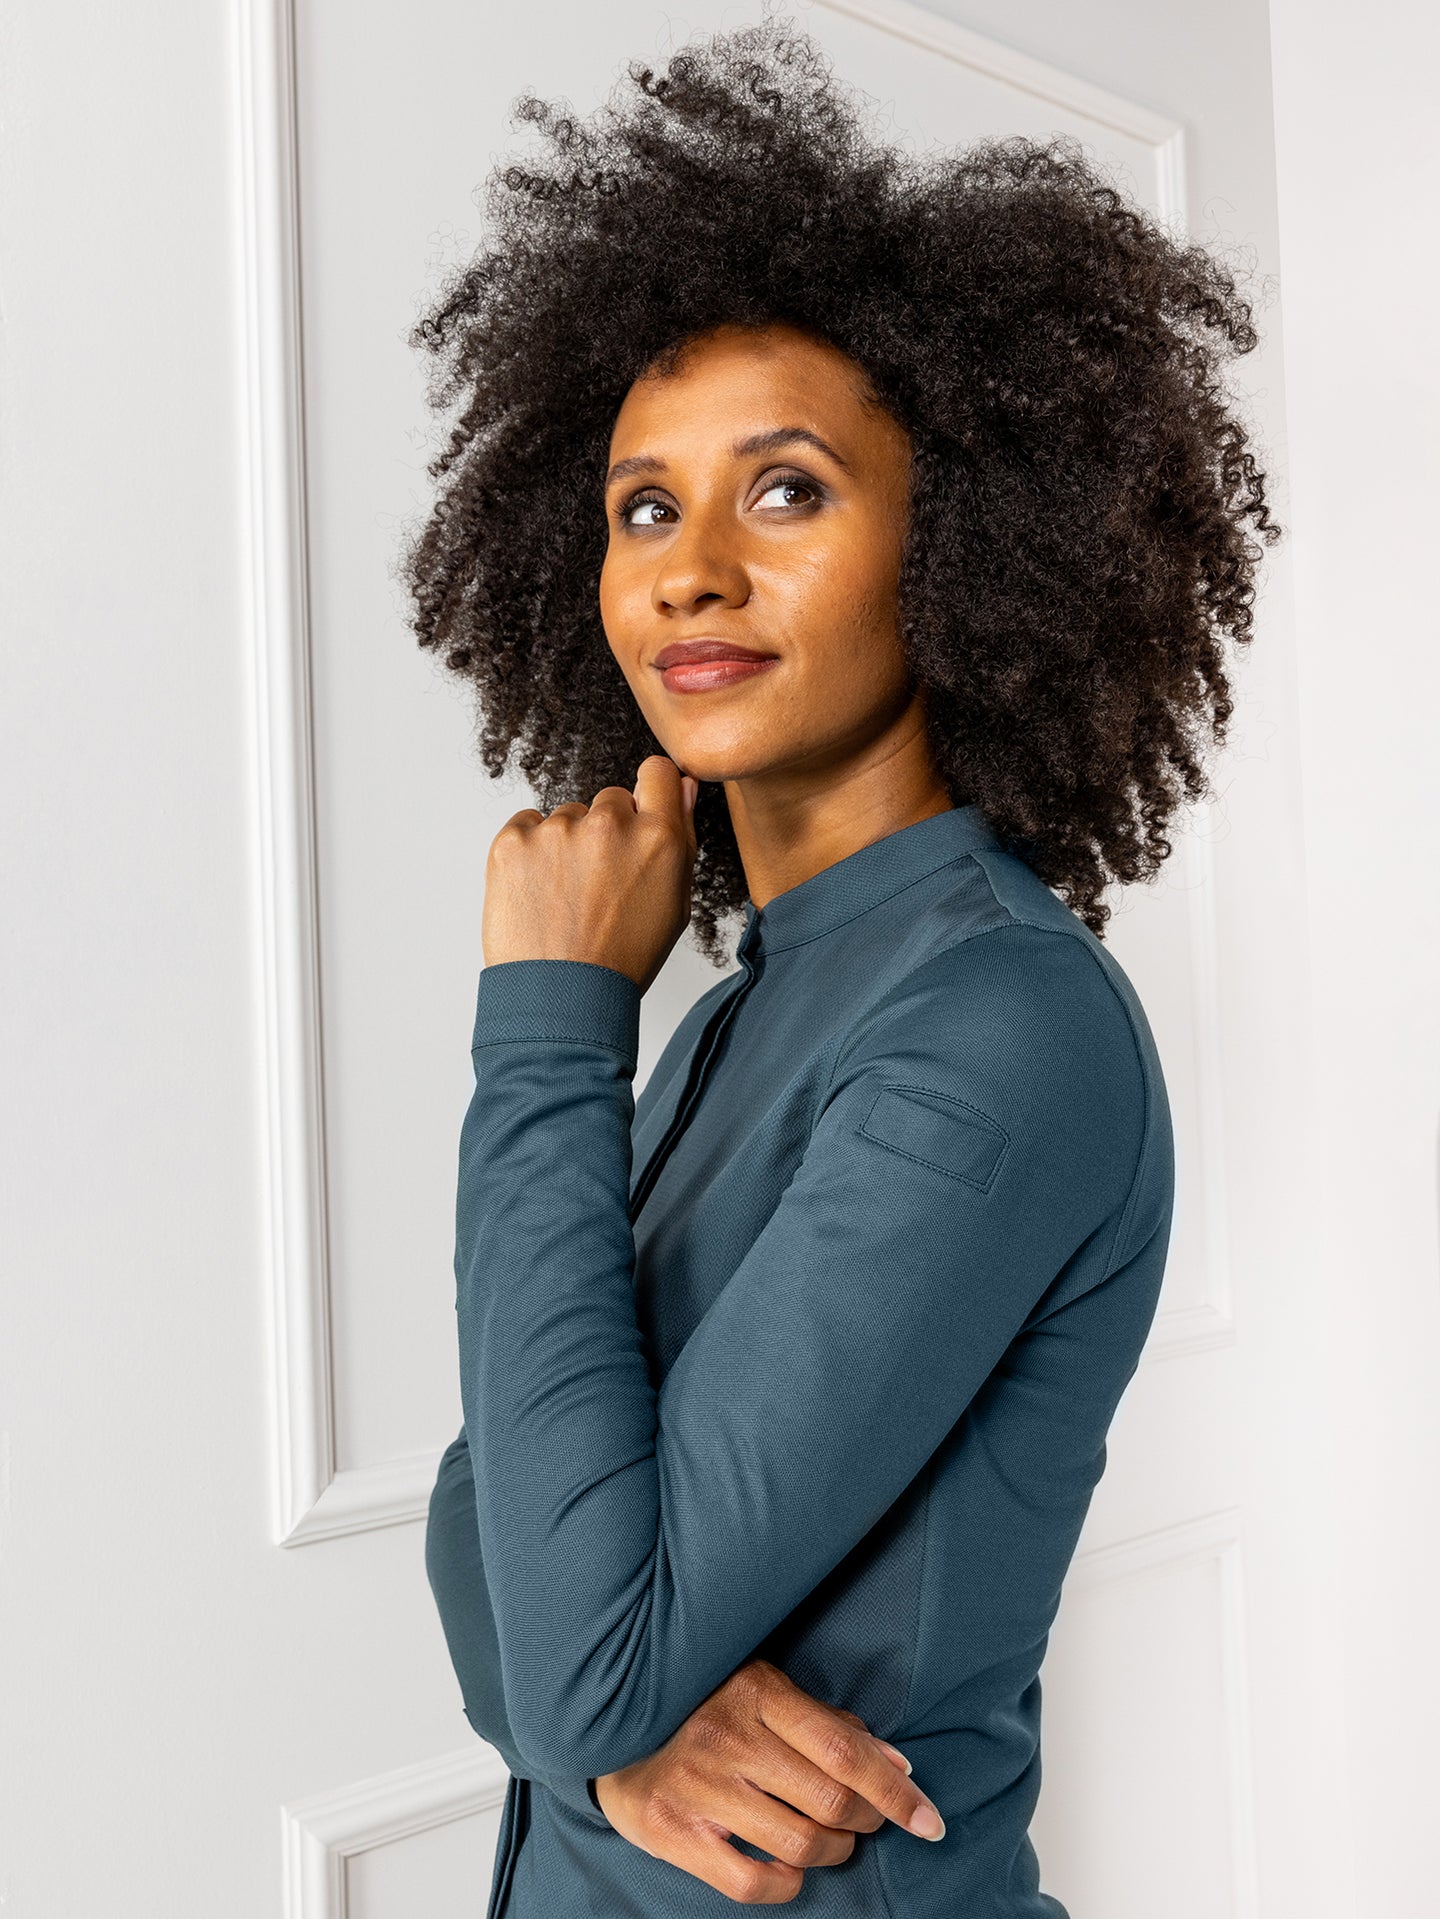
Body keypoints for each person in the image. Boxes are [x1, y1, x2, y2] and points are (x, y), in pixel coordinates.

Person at [403, 17, 1280, 1916]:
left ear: (962, 543)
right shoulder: (749, 1007)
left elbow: (574, 1648)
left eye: (786, 490)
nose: (689, 570)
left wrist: (547, 1028)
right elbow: (496, 1503)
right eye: (646, 506)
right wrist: (602, 1723)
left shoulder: (999, 1021)